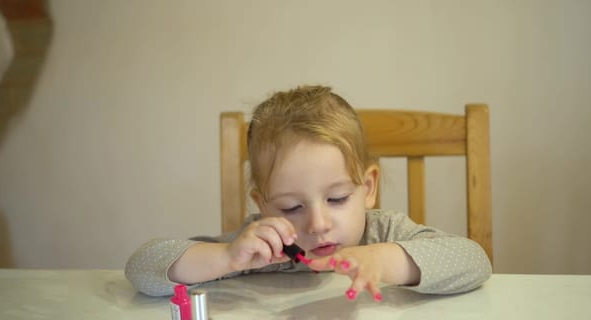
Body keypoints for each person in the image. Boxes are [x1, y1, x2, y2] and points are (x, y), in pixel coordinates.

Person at [125, 85, 492, 298]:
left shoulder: (385, 233)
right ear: (263, 205)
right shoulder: (261, 248)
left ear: (367, 188)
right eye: (290, 207)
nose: (317, 224)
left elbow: (476, 262)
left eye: (337, 199)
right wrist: (226, 257)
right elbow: (142, 267)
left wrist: (385, 260)